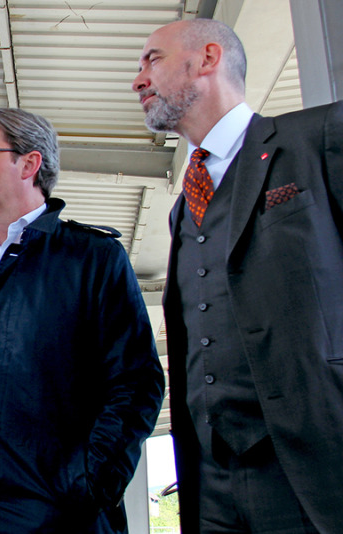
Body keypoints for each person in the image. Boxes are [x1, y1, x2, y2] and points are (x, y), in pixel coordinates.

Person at [0, 107, 165, 532]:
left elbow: (135, 385)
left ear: (30, 163)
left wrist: (86, 485)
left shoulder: (92, 258)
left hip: (56, 515)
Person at [133, 18, 343, 534]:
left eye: (152, 59)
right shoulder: (183, 208)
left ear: (207, 59)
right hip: (210, 483)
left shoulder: (318, 139)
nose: (137, 80)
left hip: (315, 469)